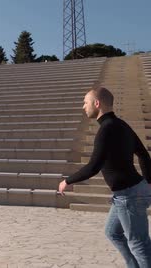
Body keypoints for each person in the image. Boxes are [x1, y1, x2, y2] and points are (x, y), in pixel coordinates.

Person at [59, 87, 151, 267]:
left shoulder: (106, 130)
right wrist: (148, 182)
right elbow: (144, 155)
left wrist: (67, 181)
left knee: (139, 245)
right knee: (113, 232)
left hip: (129, 195)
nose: (83, 106)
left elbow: (93, 167)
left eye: (85, 102)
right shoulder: (121, 125)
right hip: (126, 194)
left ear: (97, 103)